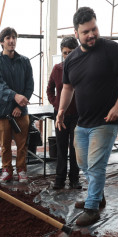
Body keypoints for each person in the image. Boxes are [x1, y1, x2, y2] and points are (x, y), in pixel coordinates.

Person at [56, 7, 118, 227]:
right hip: (83, 122)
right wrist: (62, 110)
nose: (91, 34)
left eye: (94, 28)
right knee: (83, 163)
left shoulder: (111, 50)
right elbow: (67, 88)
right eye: (85, 32)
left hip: (106, 121)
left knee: (96, 165)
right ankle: (97, 195)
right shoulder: (71, 59)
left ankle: (92, 208)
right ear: (76, 33)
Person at [0, 27, 33, 183]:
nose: (11, 40)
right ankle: (7, 170)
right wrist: (15, 96)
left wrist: (19, 106)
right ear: (2, 42)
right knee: (5, 145)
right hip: (2, 111)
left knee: (22, 145)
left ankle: (22, 171)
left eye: (13, 37)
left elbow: (30, 85)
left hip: (21, 111)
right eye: (7, 38)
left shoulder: (25, 61)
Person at [47, 36, 80, 190]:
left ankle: (74, 179)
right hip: (60, 116)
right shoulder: (57, 69)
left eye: (71, 52)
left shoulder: (82, 69)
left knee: (75, 148)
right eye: (65, 53)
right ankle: (59, 179)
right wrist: (56, 104)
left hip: (78, 115)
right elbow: (49, 89)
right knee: (61, 147)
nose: (68, 55)